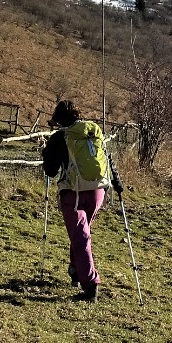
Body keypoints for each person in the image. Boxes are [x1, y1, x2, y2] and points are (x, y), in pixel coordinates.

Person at [41, 99, 121, 302]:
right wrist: (116, 181)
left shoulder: (61, 137)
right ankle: (76, 269)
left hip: (73, 192)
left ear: (59, 119)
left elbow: (50, 170)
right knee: (81, 233)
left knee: (80, 237)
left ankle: (90, 285)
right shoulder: (92, 132)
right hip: (98, 191)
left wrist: (46, 153)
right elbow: (106, 157)